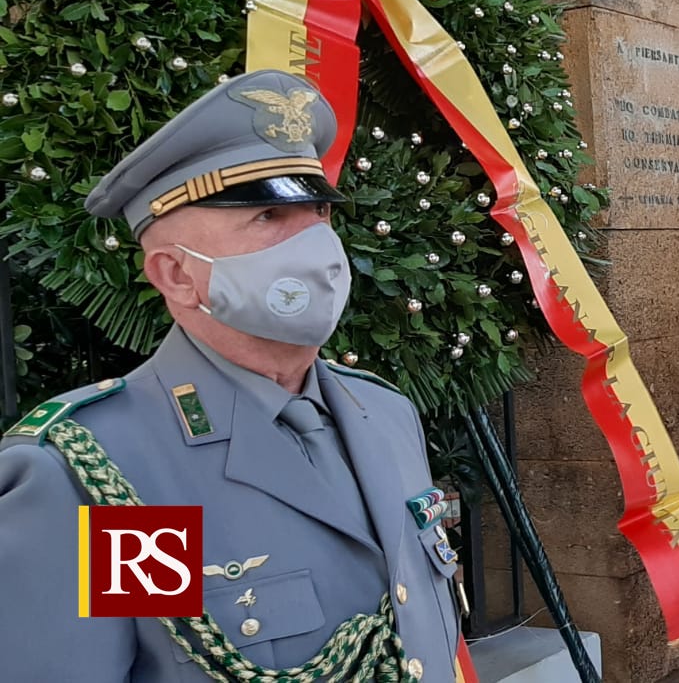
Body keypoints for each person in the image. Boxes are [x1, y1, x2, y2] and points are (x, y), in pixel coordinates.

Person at [0, 71, 463, 681]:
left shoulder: (384, 413)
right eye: (269, 214)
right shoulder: (109, 474)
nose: (318, 244)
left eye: (319, 210)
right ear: (176, 275)